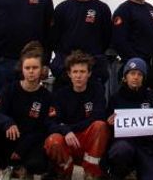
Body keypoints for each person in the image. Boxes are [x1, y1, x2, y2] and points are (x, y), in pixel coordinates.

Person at [0, 42, 53, 180]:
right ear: (22, 69)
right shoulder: (10, 90)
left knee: (38, 165)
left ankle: (24, 169)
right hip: (10, 137)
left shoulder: (46, 96)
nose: (31, 71)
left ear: (41, 70)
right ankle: (4, 168)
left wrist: (22, 149)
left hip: (31, 142)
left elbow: (43, 129)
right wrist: (8, 123)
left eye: (35, 67)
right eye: (27, 68)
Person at [44, 51, 108, 180]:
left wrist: (69, 128)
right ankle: (64, 172)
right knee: (53, 140)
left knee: (100, 126)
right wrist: (65, 131)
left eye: (82, 72)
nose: (78, 76)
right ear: (69, 74)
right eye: (75, 72)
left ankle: (91, 173)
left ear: (89, 73)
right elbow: (50, 122)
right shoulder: (60, 94)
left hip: (87, 140)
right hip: (68, 141)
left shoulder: (97, 90)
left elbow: (99, 116)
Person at [50, 0, 112, 89]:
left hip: (93, 73)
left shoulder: (102, 9)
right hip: (66, 74)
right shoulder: (62, 9)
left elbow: (106, 40)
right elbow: (54, 40)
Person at [105, 58, 153, 180]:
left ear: (144, 78)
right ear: (125, 76)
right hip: (124, 145)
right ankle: (121, 172)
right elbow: (109, 133)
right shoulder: (115, 98)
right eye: (132, 73)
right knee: (120, 150)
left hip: (147, 148)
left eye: (139, 74)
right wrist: (110, 124)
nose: (136, 77)